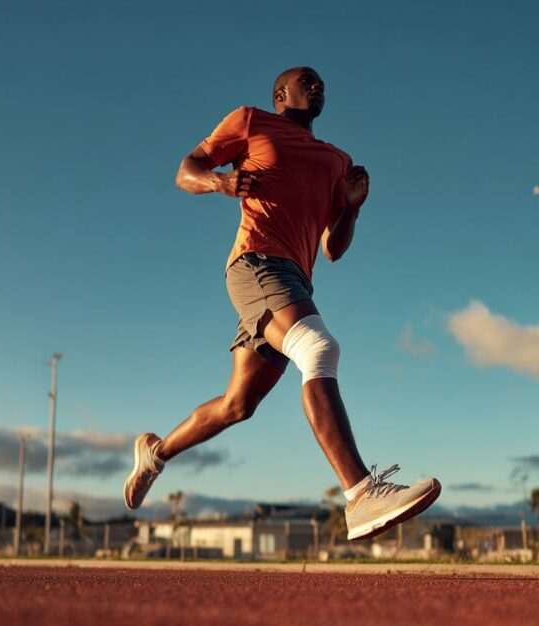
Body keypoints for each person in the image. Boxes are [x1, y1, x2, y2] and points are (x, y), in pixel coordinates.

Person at [124, 66, 440, 540]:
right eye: (308, 82)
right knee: (319, 350)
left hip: (296, 280)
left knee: (238, 405)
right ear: (280, 95)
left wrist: (351, 208)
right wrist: (221, 184)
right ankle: (360, 495)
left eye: (324, 86)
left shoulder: (337, 159)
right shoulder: (251, 121)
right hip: (256, 262)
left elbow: (333, 249)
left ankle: (155, 453)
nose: (318, 88)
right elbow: (186, 171)